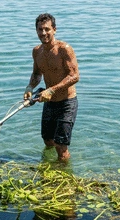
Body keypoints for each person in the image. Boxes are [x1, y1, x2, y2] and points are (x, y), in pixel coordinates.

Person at [24, 13, 79, 161]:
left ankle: (64, 177)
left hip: (66, 102)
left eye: (47, 29)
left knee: (61, 147)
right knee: (48, 141)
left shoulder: (64, 49)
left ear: (54, 29)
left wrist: (52, 89)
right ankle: (48, 167)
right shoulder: (37, 51)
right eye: (40, 29)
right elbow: (36, 74)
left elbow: (74, 76)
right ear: (36, 31)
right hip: (49, 102)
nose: (43, 33)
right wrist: (30, 87)